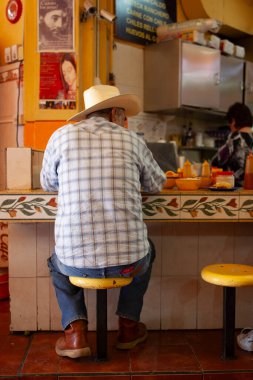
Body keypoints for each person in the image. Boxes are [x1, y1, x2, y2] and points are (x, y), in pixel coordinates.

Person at [40, 84, 166, 359]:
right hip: (128, 264)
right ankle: (129, 328)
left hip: (75, 261)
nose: (125, 121)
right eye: (123, 115)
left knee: (58, 265)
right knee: (147, 250)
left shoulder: (60, 136)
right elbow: (157, 184)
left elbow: (48, 184)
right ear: (114, 113)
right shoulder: (132, 139)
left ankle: (75, 335)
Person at [211, 102, 253, 187]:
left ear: (233, 121)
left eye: (229, 122)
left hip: (236, 190)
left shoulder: (235, 138)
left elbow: (216, 162)